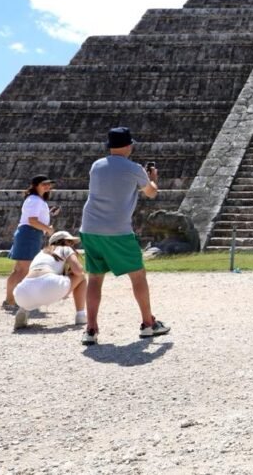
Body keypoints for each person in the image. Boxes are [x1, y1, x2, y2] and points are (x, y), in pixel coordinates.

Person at [79, 127, 170, 345]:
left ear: (109, 146)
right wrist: (152, 178)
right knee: (138, 276)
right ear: (129, 145)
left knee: (95, 277)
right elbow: (151, 192)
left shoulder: (96, 166)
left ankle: (90, 329)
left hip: (90, 227)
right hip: (117, 230)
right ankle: (148, 323)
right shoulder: (134, 168)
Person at [3, 174, 59, 312]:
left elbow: (34, 219)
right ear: (36, 186)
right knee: (22, 270)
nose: (47, 186)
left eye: (48, 183)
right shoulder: (35, 200)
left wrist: (48, 217)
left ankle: (10, 300)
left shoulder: (37, 200)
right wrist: (48, 229)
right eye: (44, 184)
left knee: (19, 269)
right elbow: (32, 220)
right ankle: (11, 301)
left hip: (29, 234)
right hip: (29, 234)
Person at [13, 231, 87, 330]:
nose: (72, 245)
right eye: (70, 242)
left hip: (21, 293)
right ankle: (81, 315)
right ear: (63, 242)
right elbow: (79, 271)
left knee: (35, 288)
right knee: (81, 277)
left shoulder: (40, 253)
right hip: (49, 285)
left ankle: (23, 310)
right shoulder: (66, 248)